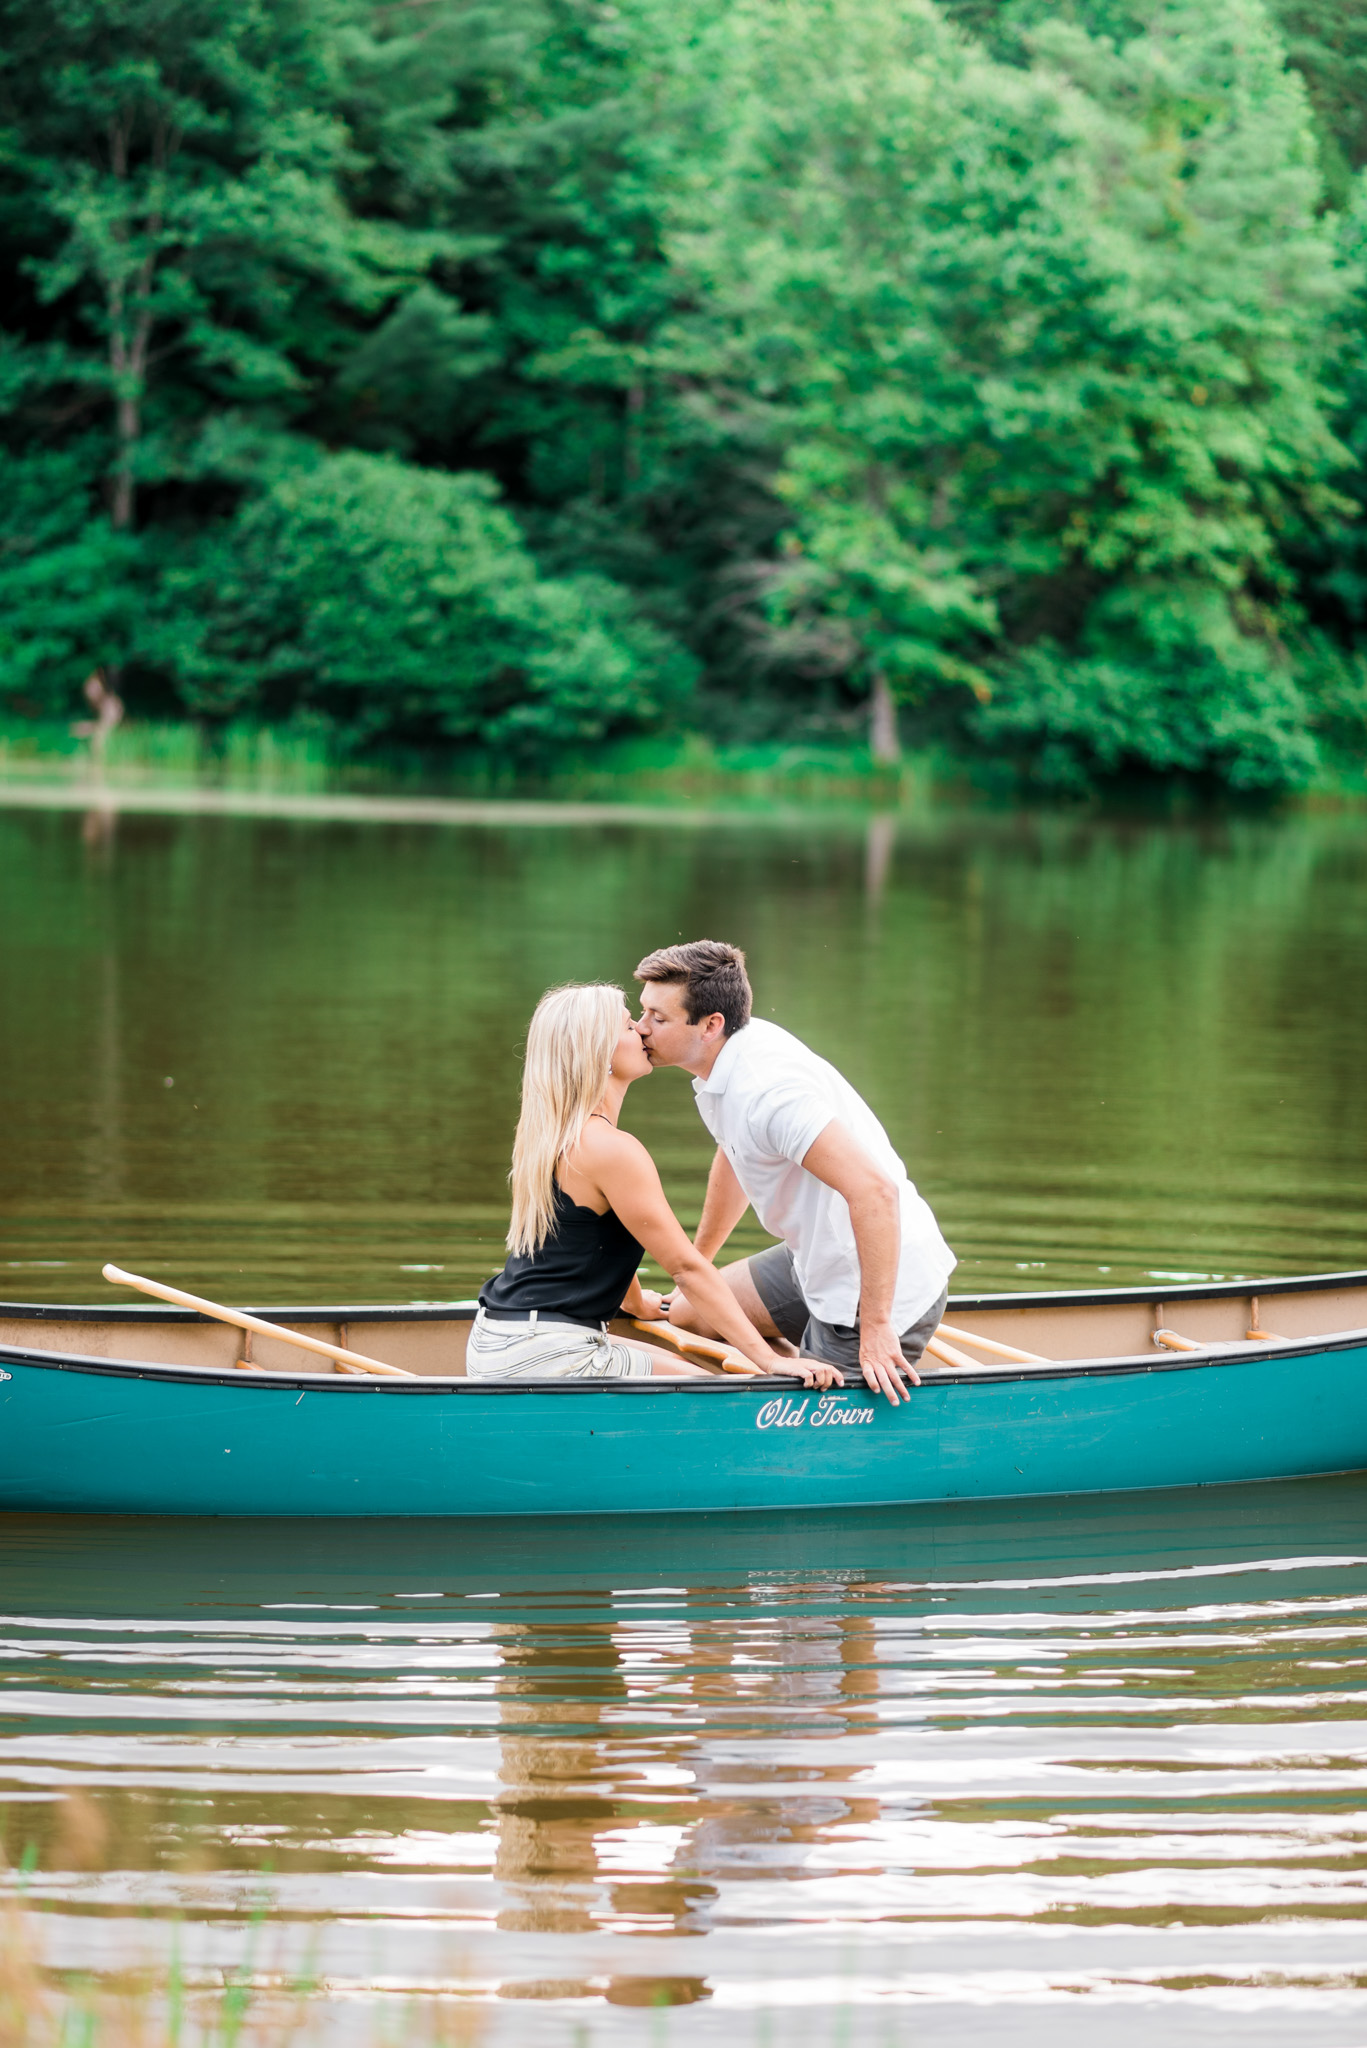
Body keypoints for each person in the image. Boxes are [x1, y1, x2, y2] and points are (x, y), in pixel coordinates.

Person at [468, 982, 838, 1386]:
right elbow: (685, 1268)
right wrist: (768, 1360)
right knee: (713, 1391)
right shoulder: (612, 1149)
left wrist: (637, 1303)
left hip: (498, 1336)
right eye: (629, 1026)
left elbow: (591, 1241)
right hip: (548, 1352)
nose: (644, 1031)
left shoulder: (551, 1135)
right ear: (600, 1055)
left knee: (706, 1366)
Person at [634, 941, 955, 1405]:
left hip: (871, 1284)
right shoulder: (722, 1062)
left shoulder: (770, 1093)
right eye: (642, 1012)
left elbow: (876, 1192)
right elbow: (734, 1154)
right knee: (690, 1311)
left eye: (657, 1018)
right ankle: (796, 1358)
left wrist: (877, 1326)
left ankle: (811, 1367)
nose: (640, 1029)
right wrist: (697, 1267)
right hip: (814, 1260)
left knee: (800, 1416)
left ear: (710, 1025)